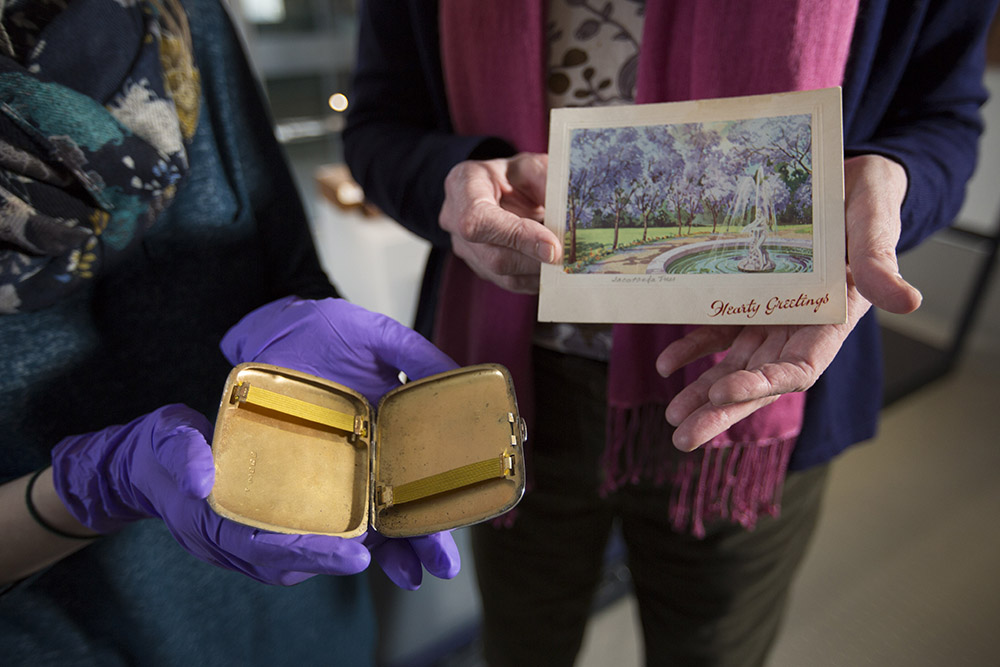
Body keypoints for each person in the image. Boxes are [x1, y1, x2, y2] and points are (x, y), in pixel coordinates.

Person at [343, 1, 996, 665]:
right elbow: (377, 123)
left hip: (757, 390)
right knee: (520, 642)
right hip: (514, 389)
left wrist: (895, 185)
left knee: (714, 647)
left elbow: (942, 114)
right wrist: (452, 184)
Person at [0, 0, 460, 664]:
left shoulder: (178, 22)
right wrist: (87, 487)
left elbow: (284, 260)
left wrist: (313, 332)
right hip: (76, 633)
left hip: (305, 591)